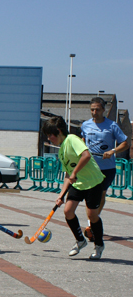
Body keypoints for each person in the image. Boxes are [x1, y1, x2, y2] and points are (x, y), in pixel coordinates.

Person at [42, 116, 105, 260]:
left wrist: (75, 173)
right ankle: (80, 240)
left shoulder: (72, 139)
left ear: (58, 131)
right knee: (68, 211)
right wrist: (61, 195)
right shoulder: (61, 150)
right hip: (78, 184)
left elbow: (86, 155)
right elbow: (67, 175)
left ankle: (99, 245)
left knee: (92, 216)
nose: (49, 138)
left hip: (93, 182)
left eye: (50, 135)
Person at [81, 97, 128, 241]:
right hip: (90, 167)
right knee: (89, 195)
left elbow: (125, 143)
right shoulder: (85, 125)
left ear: (103, 110)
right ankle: (92, 222)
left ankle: (92, 222)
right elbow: (83, 141)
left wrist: (113, 151)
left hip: (107, 168)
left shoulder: (112, 125)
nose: (94, 112)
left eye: (97, 109)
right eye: (92, 109)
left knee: (101, 194)